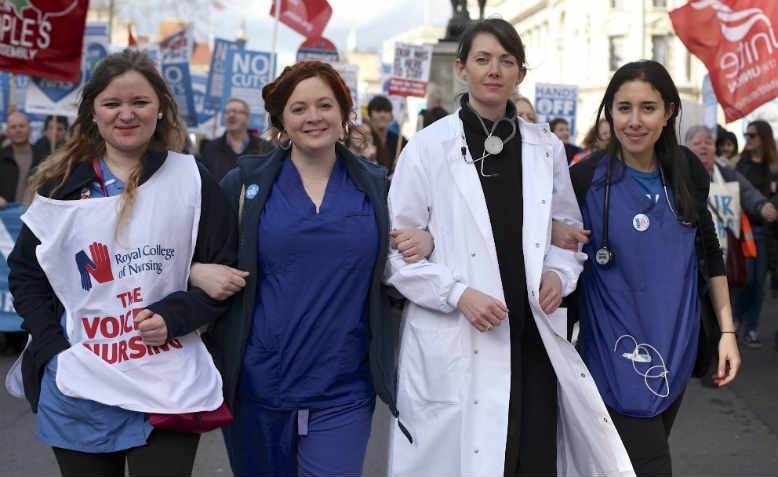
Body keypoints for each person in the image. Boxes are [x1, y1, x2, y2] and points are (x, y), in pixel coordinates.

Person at [385, 18, 631, 477]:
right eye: (482, 60)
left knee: (531, 457)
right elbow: (397, 254)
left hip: (531, 337)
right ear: (462, 69)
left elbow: (567, 233)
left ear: (520, 72)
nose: (494, 70)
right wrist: (458, 294)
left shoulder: (546, 149)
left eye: (506, 61)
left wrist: (559, 275)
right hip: (460, 336)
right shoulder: (426, 148)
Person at [7, 49, 237, 477]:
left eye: (139, 103)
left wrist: (175, 315)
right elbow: (26, 273)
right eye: (112, 104)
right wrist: (53, 347)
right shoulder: (61, 185)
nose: (126, 114)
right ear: (93, 112)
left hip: (165, 380)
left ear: (160, 110)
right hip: (81, 381)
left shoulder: (191, 179)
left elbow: (225, 275)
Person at [202, 60, 434, 477]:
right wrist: (194, 272)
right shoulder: (243, 186)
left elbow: (420, 239)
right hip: (259, 387)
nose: (313, 117)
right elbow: (187, 249)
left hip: (344, 387)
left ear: (345, 114)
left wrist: (430, 239)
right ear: (280, 122)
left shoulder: (379, 187)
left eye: (325, 105)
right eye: (298, 108)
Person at [564, 60, 740, 476]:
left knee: (627, 464)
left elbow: (709, 252)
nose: (634, 121)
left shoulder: (688, 169)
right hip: (613, 355)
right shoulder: (584, 179)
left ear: (669, 112)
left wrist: (727, 333)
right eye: (623, 108)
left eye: (648, 108)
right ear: (610, 112)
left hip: (675, 350)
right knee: (650, 466)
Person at [685, 125, 777, 255]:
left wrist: (762, 206)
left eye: (708, 142)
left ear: (714, 148)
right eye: (697, 143)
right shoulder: (680, 176)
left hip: (728, 251)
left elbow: (747, 192)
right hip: (696, 251)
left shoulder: (727, 172)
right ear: (687, 149)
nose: (704, 146)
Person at [733, 120, 778, 348]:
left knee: (759, 282)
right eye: (746, 135)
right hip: (745, 231)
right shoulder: (740, 165)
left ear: (763, 138)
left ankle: (751, 327)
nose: (748, 139)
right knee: (747, 279)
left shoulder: (774, 167)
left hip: (767, 232)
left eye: (752, 135)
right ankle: (737, 318)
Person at [200, 98, 274, 181]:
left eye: (236, 112)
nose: (231, 115)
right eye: (227, 112)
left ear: (248, 119)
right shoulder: (210, 148)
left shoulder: (265, 148)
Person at [0, 112, 46, 208]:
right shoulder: (1, 156)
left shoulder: (44, 158)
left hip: (34, 214)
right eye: (13, 127)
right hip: (4, 217)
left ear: (30, 129)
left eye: (22, 126)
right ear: (7, 132)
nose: (18, 130)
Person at [367, 95, 407, 168]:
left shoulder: (400, 141)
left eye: (386, 111)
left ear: (391, 115)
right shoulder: (363, 140)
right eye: (378, 111)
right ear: (370, 114)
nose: (382, 115)